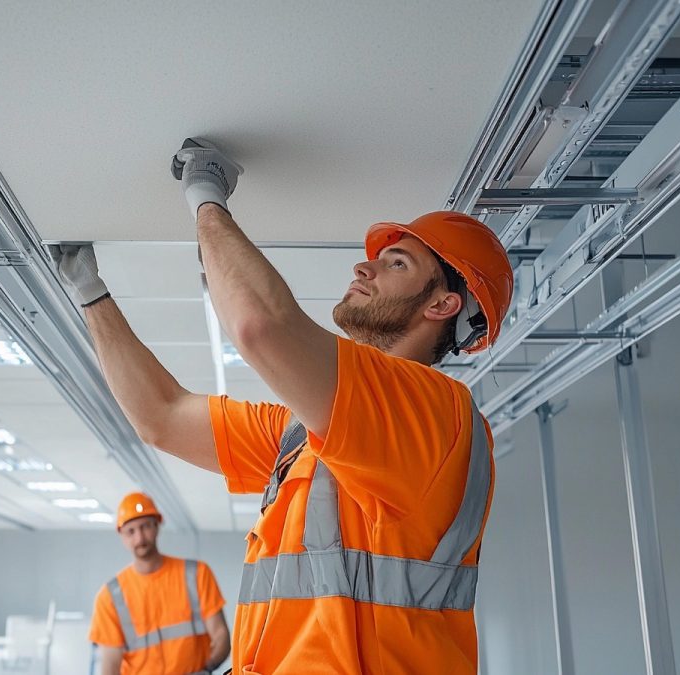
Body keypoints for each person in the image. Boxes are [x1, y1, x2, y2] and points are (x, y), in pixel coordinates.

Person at [57, 139, 513, 674]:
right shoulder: (305, 436)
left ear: (442, 304)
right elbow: (161, 416)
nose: (364, 269)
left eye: (396, 262)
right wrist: (91, 294)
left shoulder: (437, 416)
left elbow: (261, 327)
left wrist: (206, 195)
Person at [89, 492, 230, 674]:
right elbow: (109, 667)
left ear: (157, 525)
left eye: (145, 526)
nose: (140, 538)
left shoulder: (196, 574)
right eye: (131, 531)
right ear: (122, 536)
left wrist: (206, 669)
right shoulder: (110, 597)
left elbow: (221, 635)